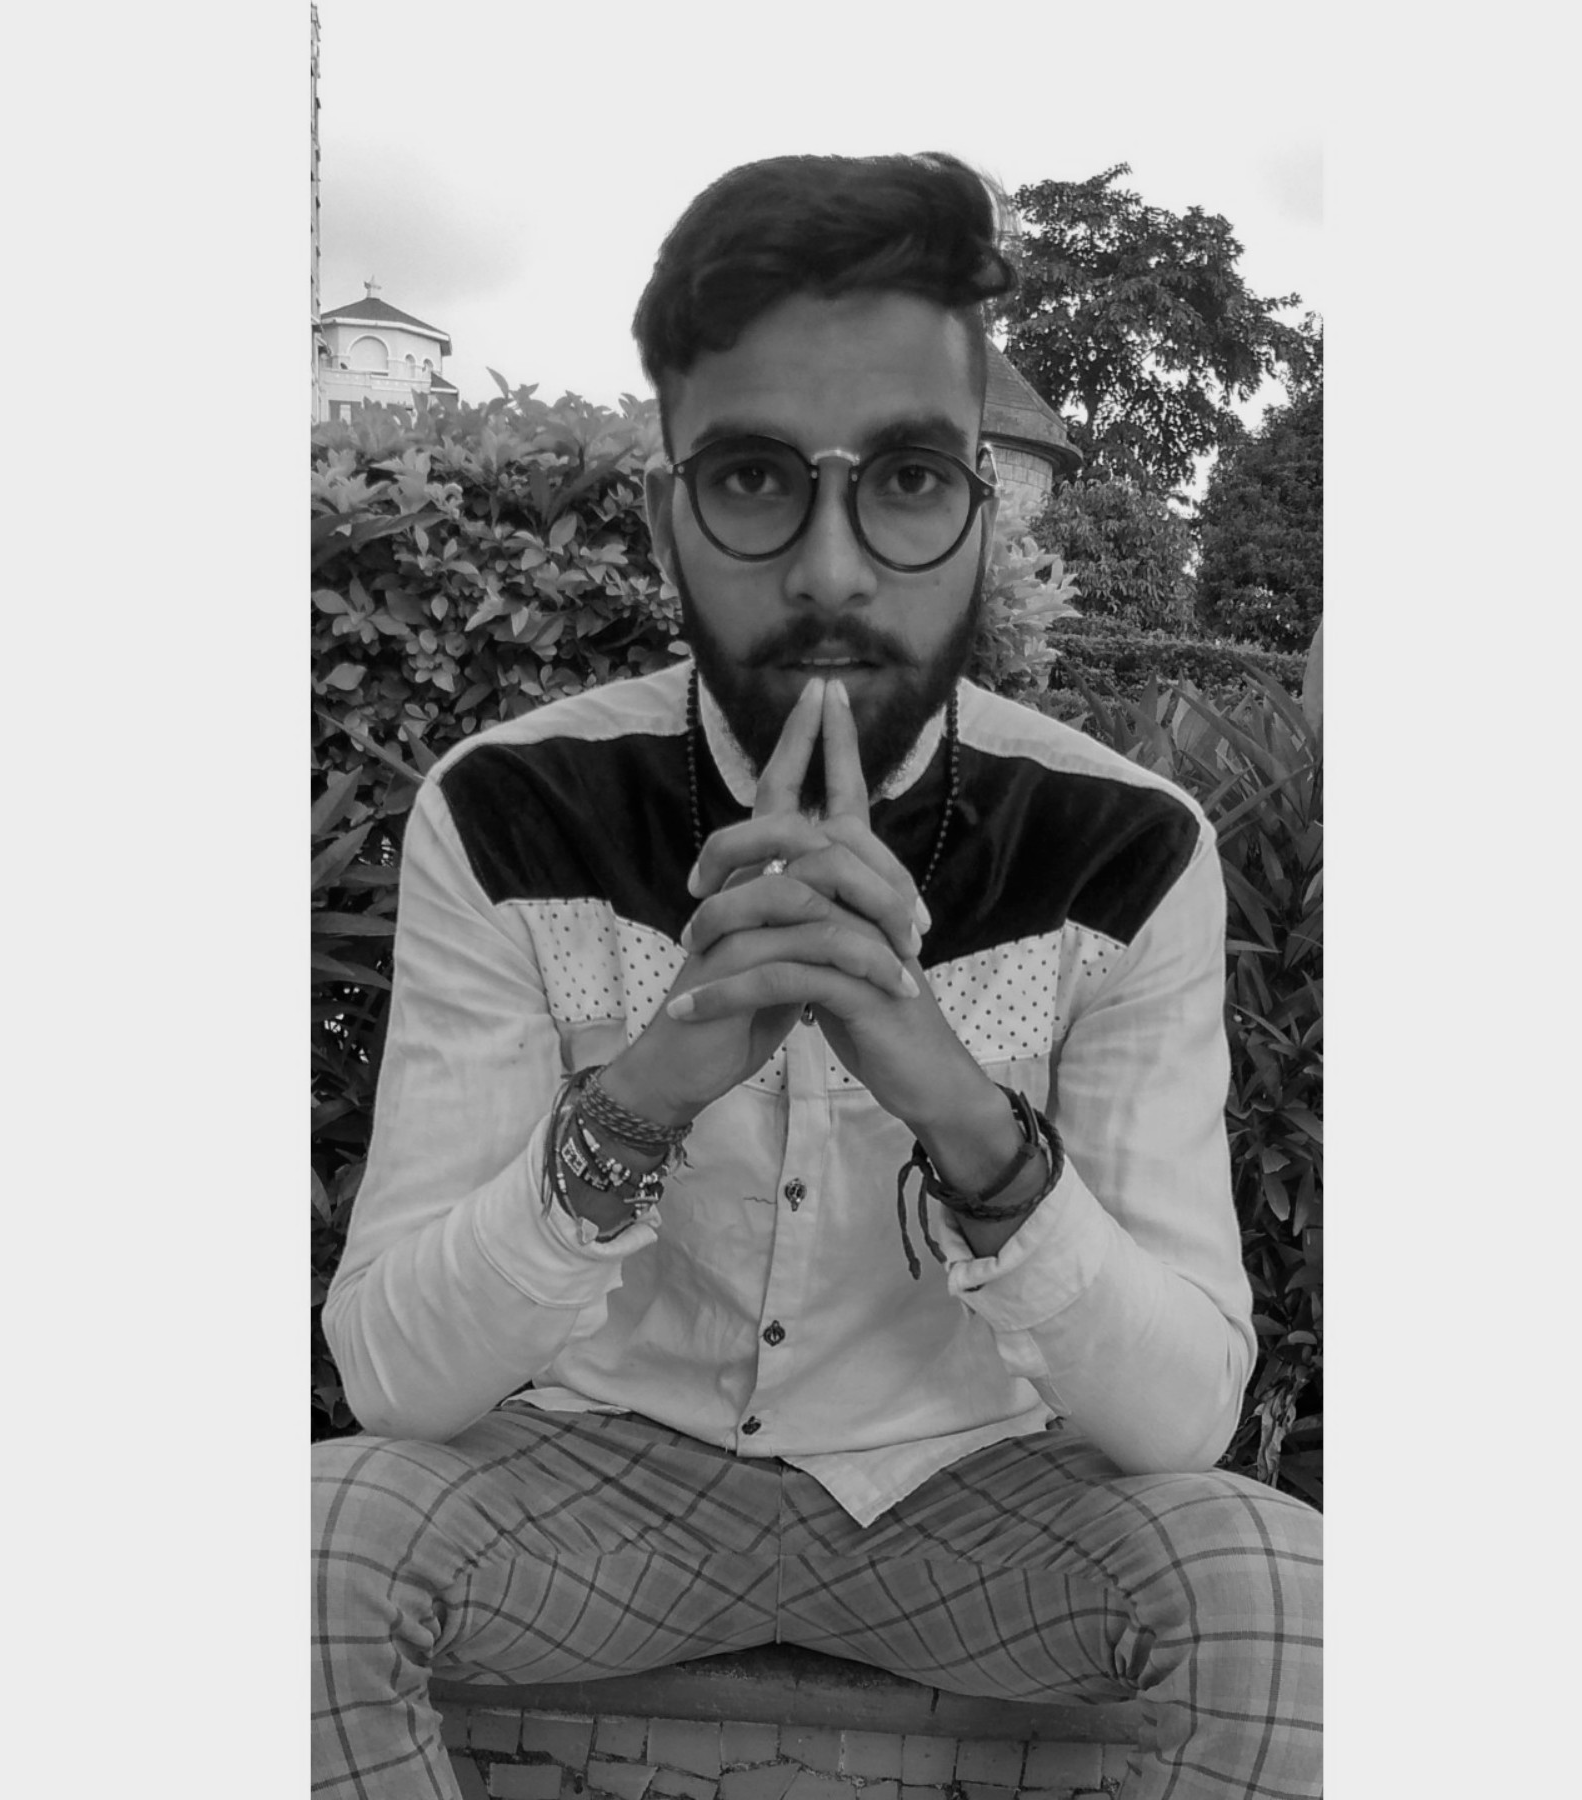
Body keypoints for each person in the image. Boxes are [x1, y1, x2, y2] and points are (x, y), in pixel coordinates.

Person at [312, 151, 1321, 1800]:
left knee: (1290, 1604)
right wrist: (644, 1095)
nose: (835, 570)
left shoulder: (1125, 845)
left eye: (908, 478)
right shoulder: (509, 812)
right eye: (755, 478)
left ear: (980, 514)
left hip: (977, 1502)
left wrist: (959, 1112)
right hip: (598, 1483)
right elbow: (395, 1380)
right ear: (668, 517)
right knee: (292, 1561)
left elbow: (1182, 1417)